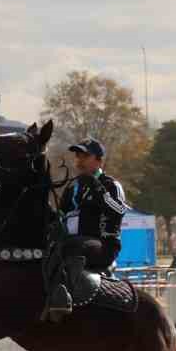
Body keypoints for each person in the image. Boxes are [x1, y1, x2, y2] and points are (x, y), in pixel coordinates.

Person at [45, 138, 130, 322]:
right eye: (77, 155)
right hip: (74, 242)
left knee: (71, 245)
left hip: (104, 245)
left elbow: (119, 211)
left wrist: (97, 188)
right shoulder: (73, 187)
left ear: (99, 160)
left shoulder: (110, 184)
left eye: (85, 156)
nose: (79, 160)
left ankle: (63, 298)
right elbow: (62, 216)